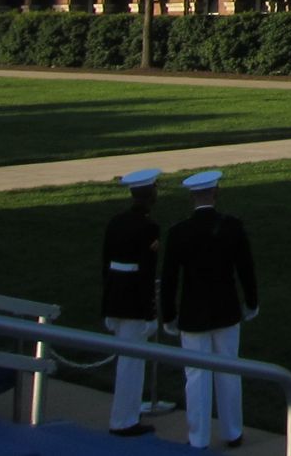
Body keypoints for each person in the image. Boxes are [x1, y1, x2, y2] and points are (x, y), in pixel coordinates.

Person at [160, 171, 259, 450]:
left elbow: (169, 280)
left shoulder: (179, 232)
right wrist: (251, 302)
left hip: (193, 312)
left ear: (192, 196)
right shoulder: (232, 226)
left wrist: (168, 315)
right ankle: (232, 432)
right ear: (215, 192)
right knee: (229, 369)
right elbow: (245, 269)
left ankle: (198, 437)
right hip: (226, 309)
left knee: (196, 376)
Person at [102, 168, 163, 438]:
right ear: (150, 195)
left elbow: (106, 265)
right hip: (134, 302)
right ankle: (124, 420)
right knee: (132, 364)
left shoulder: (115, 222)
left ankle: (125, 414)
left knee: (127, 362)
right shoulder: (149, 227)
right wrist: (150, 311)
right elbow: (146, 272)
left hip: (115, 296)